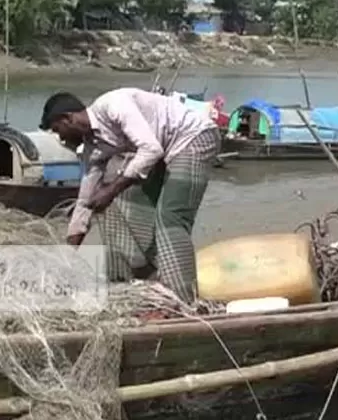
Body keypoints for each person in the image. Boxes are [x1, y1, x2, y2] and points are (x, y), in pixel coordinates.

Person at [41, 88, 221, 300]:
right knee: (123, 203)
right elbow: (85, 201)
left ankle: (183, 298)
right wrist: (69, 251)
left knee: (170, 219)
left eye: (57, 129)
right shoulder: (93, 148)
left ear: (68, 118)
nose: (61, 138)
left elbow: (151, 150)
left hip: (194, 138)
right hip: (164, 151)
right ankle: (141, 277)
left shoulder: (113, 106)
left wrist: (111, 189)